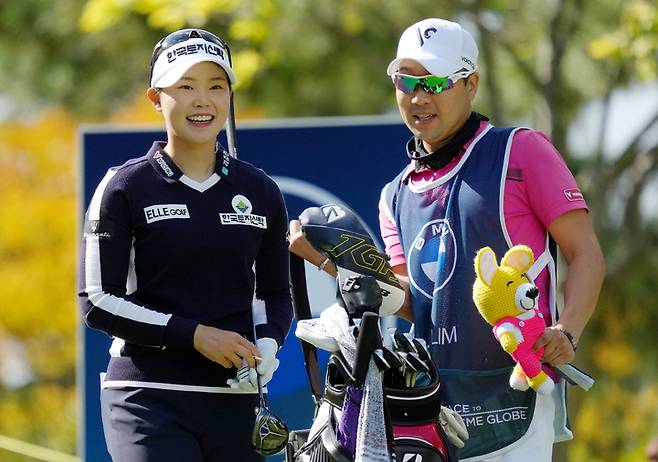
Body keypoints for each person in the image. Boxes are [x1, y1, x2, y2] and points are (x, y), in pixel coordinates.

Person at [290, 17, 605, 462]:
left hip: (516, 388)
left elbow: (585, 252)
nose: (419, 97)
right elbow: (410, 300)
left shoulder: (521, 150)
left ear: (471, 84)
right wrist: (332, 263)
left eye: (436, 82)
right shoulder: (393, 194)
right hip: (432, 399)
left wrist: (567, 330)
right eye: (406, 81)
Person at [78, 28, 292, 461]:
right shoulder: (123, 187)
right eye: (186, 86)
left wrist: (267, 344)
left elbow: (273, 293)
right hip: (146, 394)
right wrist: (194, 335)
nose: (203, 100)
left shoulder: (261, 189)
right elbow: (97, 301)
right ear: (156, 97)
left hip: (235, 398)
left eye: (216, 86)